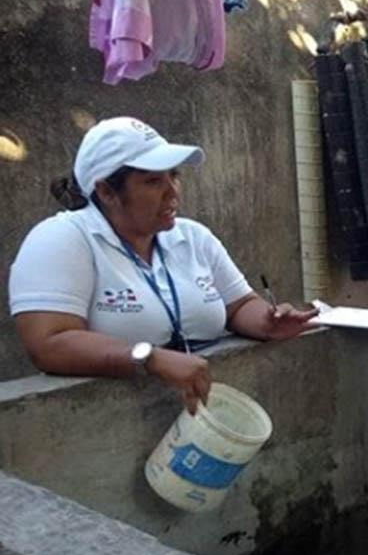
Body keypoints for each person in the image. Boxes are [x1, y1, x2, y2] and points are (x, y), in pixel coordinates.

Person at [9, 117, 318, 414]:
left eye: (174, 175)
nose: (173, 191)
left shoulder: (192, 237)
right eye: (153, 181)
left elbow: (238, 306)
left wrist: (269, 321)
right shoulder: (63, 239)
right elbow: (49, 344)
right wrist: (149, 359)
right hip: (105, 431)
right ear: (106, 192)